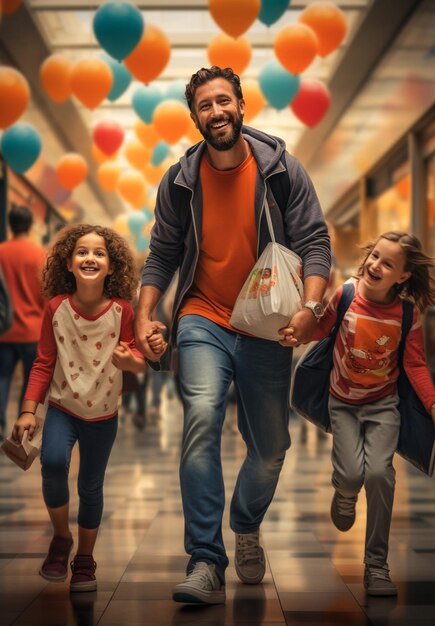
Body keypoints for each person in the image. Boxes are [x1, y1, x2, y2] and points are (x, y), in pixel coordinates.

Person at [135, 66, 331, 605]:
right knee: (201, 417)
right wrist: (145, 313)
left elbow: (315, 242)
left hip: (267, 323)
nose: (215, 112)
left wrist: (312, 308)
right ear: (195, 115)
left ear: (241, 105)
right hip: (202, 316)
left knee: (270, 447)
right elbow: (162, 255)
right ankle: (204, 557)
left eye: (224, 101)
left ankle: (245, 524)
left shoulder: (281, 171)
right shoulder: (180, 181)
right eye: (204, 105)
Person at [11, 224, 158, 593]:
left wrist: (132, 362)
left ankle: (85, 558)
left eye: (99, 253)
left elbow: (139, 361)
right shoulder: (55, 309)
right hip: (62, 408)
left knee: (91, 487)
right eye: (81, 251)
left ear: (111, 267)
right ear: (69, 263)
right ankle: (62, 539)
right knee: (54, 465)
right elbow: (44, 362)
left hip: (103, 415)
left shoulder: (123, 311)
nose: (90, 257)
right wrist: (29, 410)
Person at [311, 231, 435, 596]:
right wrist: (295, 328)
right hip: (343, 403)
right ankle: (345, 493)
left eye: (388, 263)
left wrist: (432, 403)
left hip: (383, 406)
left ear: (403, 276)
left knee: (380, 474)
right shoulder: (346, 294)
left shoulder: (407, 314)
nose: (375, 265)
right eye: (375, 256)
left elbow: (415, 365)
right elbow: (320, 329)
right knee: (351, 474)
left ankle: (377, 565)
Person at [0, 205, 46, 441]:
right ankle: (21, 424)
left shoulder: (1, 252)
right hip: (32, 330)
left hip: (4, 331)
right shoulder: (39, 255)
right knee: (31, 382)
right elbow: (45, 294)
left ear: (10, 224)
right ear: (30, 226)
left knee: (2, 377)